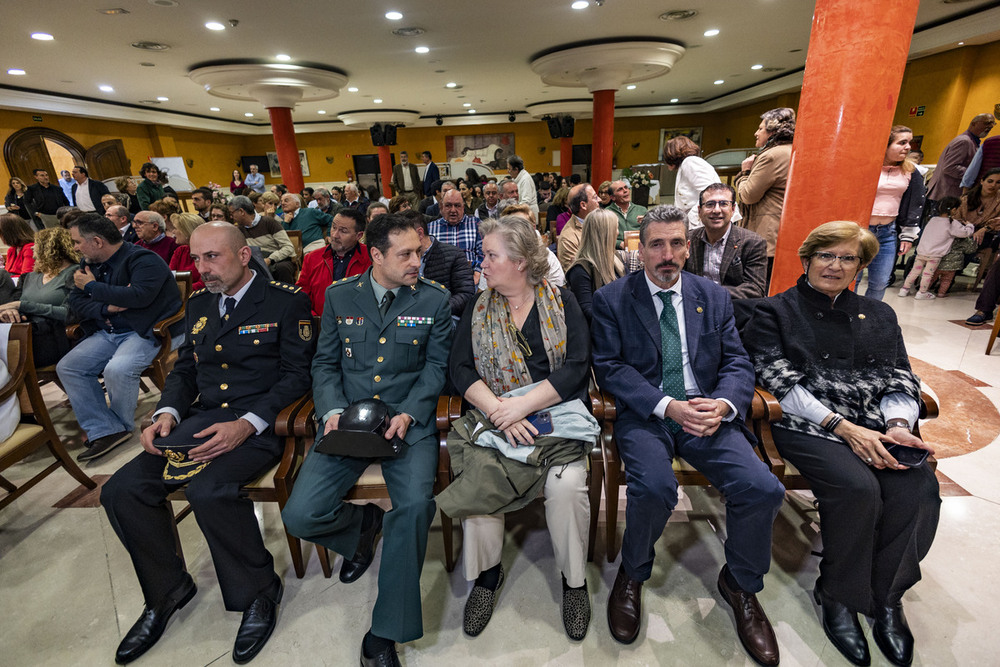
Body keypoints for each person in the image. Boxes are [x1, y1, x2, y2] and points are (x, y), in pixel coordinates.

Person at [100, 222, 313, 666]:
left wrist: (248, 425)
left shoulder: (286, 301)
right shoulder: (198, 302)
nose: (202, 269)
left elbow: (298, 375)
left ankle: (259, 591)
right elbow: (185, 370)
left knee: (209, 490)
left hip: (259, 424)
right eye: (196, 259)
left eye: (212, 257)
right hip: (203, 417)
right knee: (121, 490)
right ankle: (167, 590)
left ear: (242, 255)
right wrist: (166, 413)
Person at [590, 204, 785, 665]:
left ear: (688, 245)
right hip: (648, 414)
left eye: (677, 243)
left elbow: (737, 361)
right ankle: (632, 575)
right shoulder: (613, 298)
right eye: (656, 243)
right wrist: (666, 405)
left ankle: (740, 584)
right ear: (641, 246)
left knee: (762, 487)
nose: (668, 254)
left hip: (706, 414)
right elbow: (610, 367)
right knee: (654, 488)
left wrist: (723, 403)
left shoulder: (712, 296)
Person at [743, 221, 940, 667]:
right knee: (858, 488)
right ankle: (837, 593)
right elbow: (780, 383)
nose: (835, 265)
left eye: (847, 258)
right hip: (809, 425)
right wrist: (844, 428)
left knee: (919, 488)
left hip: (877, 423)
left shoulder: (880, 314)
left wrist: (897, 423)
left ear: (861, 265)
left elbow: (901, 376)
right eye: (826, 255)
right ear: (807, 258)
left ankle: (887, 597)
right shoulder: (775, 311)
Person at [281, 214, 452, 667]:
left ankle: (384, 635)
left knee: (414, 508)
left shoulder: (434, 300)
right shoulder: (340, 296)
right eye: (406, 254)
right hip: (348, 423)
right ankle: (364, 529)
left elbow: (436, 368)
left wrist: (412, 413)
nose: (418, 260)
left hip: (405, 423)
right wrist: (332, 411)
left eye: (419, 251)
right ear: (375, 256)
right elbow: (325, 364)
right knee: (300, 515)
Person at [436, 215, 596, 640]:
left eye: (491, 255)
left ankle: (574, 583)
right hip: (495, 419)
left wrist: (522, 405)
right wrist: (497, 411)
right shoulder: (477, 306)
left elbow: (578, 368)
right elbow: (460, 368)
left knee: (566, 488)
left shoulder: (562, 302)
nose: (482, 263)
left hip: (554, 419)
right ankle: (487, 579)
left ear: (522, 261)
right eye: (483, 255)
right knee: (481, 483)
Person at [57, 213, 181, 462]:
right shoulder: (88, 263)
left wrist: (92, 288)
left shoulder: (143, 259)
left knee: (118, 369)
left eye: (77, 241)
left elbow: (137, 297)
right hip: (108, 329)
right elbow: (76, 301)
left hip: (144, 330)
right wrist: (107, 306)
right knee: (68, 367)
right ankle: (105, 429)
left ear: (97, 241)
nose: (75, 247)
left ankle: (121, 427)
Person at [856, 125, 924, 301]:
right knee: (852, 279)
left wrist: (908, 235)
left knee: (879, 282)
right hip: (860, 231)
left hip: (888, 232)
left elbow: (915, 203)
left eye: (909, 142)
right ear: (885, 145)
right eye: (902, 142)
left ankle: (871, 321)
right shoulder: (867, 167)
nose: (908, 147)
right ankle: (848, 318)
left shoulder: (911, 171)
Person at [0, 227, 79, 367]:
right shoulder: (30, 276)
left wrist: (22, 306)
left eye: (36, 243)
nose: (31, 249)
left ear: (51, 247)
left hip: (52, 337)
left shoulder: (75, 274)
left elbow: (70, 314)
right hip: (22, 333)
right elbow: (13, 303)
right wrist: (9, 312)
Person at [736, 107, 795, 273]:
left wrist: (745, 172)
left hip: (766, 236)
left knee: (759, 288)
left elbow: (748, 195)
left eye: (761, 128)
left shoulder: (771, 156)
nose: (756, 133)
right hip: (782, 232)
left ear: (773, 131)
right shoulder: (793, 151)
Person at [684, 183, 768, 300]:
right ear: (699, 211)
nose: (716, 210)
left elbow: (755, 289)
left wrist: (710, 292)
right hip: (695, 307)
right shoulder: (688, 239)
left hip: (735, 310)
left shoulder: (753, 242)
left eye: (724, 204)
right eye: (710, 204)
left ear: (733, 209)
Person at [296, 208, 372, 316]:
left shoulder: (371, 259)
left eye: (343, 231)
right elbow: (301, 296)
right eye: (334, 227)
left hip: (359, 325)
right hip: (320, 324)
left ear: (359, 236)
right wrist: (313, 318)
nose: (335, 235)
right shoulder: (312, 258)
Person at [403, 209, 475, 319]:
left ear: (420, 233)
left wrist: (436, 309)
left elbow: (466, 295)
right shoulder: (399, 259)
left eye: (402, 236)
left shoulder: (454, 255)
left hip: (446, 317)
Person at [898, 196, 972, 300]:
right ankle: (922, 292)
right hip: (935, 256)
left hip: (922, 252)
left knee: (914, 271)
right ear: (954, 210)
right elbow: (965, 233)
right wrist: (970, 226)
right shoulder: (952, 224)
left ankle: (904, 289)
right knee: (927, 274)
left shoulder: (932, 220)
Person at [566, 208, 624, 323]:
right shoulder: (580, 270)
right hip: (600, 332)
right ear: (606, 233)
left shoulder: (615, 257)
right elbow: (587, 311)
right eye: (616, 228)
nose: (618, 232)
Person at [926, 113, 996, 208]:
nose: (990, 126)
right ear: (973, 124)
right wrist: (972, 175)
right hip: (945, 195)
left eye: (993, 124)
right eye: (987, 123)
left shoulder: (971, 141)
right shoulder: (964, 141)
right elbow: (950, 167)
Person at [228, 196, 297, 284]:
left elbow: (288, 247)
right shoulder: (238, 230)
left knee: (282, 268)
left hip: (277, 260)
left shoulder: (269, 222)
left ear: (241, 211)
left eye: (232, 213)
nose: (231, 216)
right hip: (256, 262)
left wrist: (270, 259)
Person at [663, 135, 726, 230]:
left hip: (703, 221)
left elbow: (711, 192)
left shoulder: (690, 162)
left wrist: (690, 220)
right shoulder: (687, 164)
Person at [166, 212, 207, 290]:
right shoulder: (180, 251)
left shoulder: (206, 253)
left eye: (175, 228)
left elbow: (204, 284)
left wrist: (179, 290)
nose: (173, 232)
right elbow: (169, 277)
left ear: (186, 231)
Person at [609, 180, 647, 249]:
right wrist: (618, 244)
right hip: (617, 251)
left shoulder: (642, 210)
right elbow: (602, 236)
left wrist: (649, 222)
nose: (625, 191)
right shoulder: (607, 213)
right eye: (620, 189)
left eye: (626, 187)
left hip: (640, 249)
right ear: (612, 197)